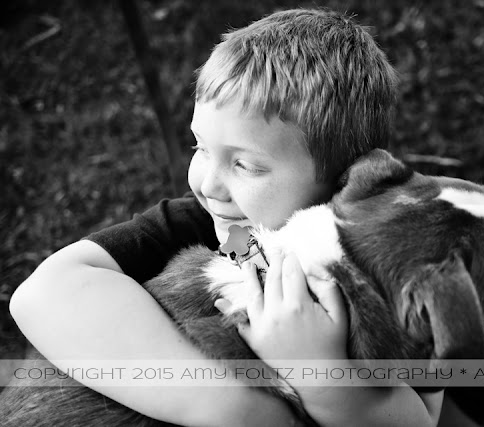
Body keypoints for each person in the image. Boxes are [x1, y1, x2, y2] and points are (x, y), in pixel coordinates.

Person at [9, 8, 443, 427]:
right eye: (200, 147)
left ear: (347, 176)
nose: (208, 185)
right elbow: (44, 293)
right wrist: (233, 408)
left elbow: (424, 416)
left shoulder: (389, 258)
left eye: (246, 165)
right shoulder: (200, 222)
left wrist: (322, 376)